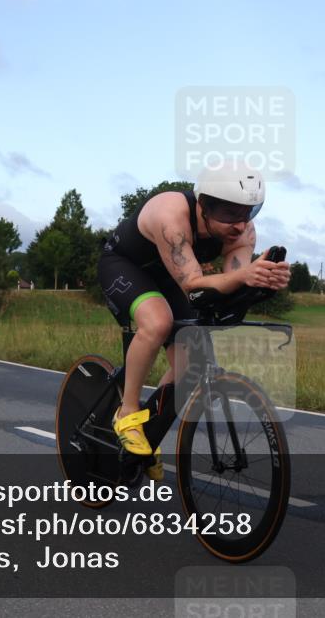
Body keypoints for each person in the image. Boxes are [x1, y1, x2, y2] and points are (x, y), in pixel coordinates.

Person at [97, 168, 291, 475]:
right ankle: (127, 413)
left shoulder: (243, 232)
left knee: (189, 367)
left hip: (173, 276)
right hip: (126, 266)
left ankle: (148, 432)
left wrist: (262, 281)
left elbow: (230, 284)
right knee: (158, 322)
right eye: (230, 214)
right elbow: (193, 285)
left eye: (248, 213)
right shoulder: (171, 216)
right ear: (204, 206)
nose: (240, 225)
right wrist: (244, 275)